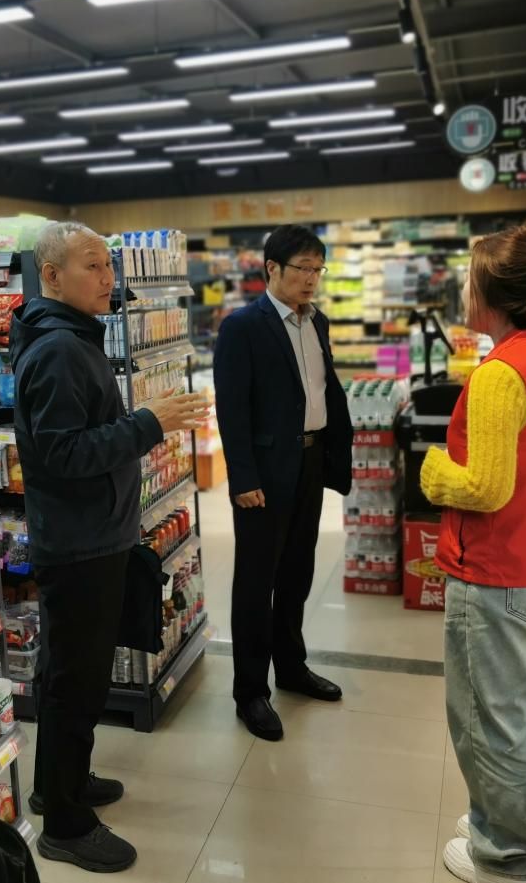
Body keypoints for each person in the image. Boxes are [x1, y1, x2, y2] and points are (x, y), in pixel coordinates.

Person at [10, 221, 208, 873]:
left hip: (90, 534)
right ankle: (64, 825)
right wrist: (149, 423)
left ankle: (59, 783)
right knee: (77, 682)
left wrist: (139, 423)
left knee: (73, 676)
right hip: (80, 544)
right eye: (92, 265)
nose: (107, 277)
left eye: (108, 265)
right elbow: (63, 454)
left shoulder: (73, 338)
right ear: (51, 275)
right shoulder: (59, 350)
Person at [420, 226, 526, 883]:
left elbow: (484, 487)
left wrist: (434, 471)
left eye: (469, 279)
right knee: (524, 707)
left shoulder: (499, 374)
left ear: (490, 293)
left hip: (496, 571)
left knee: (488, 719)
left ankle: (504, 856)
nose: (462, 291)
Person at [213, 224, 353, 742]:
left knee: (297, 572)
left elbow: (320, 390)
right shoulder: (242, 327)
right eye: (303, 268)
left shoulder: (318, 322)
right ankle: (250, 691)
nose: (312, 278)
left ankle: (291, 667)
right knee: (257, 582)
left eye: (318, 269)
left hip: (310, 463)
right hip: (265, 475)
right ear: (271, 268)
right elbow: (232, 408)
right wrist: (242, 476)